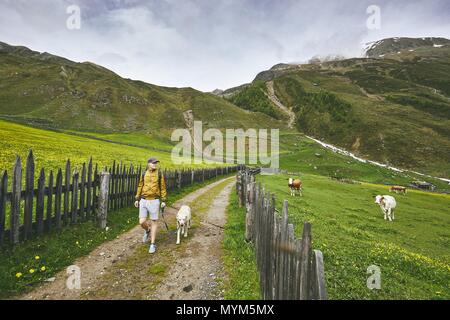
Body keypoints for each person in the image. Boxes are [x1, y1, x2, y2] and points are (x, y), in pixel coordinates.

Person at [134, 157, 167, 254]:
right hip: (143, 200)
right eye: (153, 163)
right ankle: (147, 230)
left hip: (154, 200)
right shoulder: (144, 173)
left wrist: (163, 200)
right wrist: (137, 198)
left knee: (154, 222)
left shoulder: (159, 173)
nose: (155, 164)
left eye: (156, 163)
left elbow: (163, 187)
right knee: (141, 221)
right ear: (148, 164)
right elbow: (140, 186)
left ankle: (152, 244)